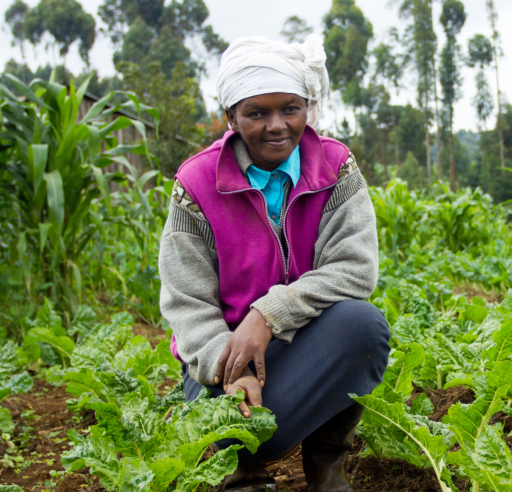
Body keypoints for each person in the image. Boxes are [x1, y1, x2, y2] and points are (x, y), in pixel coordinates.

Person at [159, 34, 391, 492]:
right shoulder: (197, 184)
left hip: (306, 350)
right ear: (230, 117)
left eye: (290, 108)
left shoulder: (335, 168)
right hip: (221, 366)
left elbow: (355, 268)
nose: (277, 125)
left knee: (361, 325)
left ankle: (327, 467)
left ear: (308, 107)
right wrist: (233, 367)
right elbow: (187, 304)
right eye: (256, 113)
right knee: (235, 424)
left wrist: (266, 316)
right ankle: (244, 472)